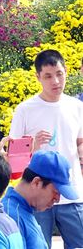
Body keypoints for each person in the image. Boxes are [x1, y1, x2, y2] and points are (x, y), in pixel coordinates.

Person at [9, 49, 83, 248]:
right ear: (38, 77)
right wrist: (31, 144)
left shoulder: (76, 106)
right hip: (39, 197)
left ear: (66, 71)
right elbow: (13, 157)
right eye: (48, 76)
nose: (56, 81)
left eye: (59, 74)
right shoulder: (25, 110)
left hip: (72, 193)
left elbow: (80, 141)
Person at [2, 151, 78, 249]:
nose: (57, 199)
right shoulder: (11, 216)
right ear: (36, 182)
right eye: (56, 192)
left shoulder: (24, 211)